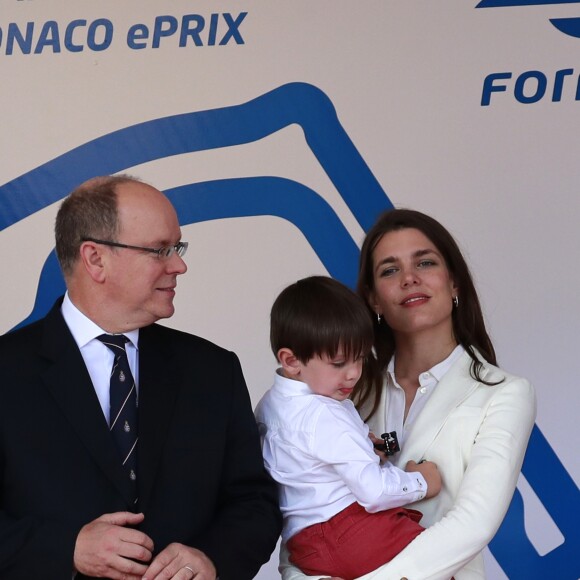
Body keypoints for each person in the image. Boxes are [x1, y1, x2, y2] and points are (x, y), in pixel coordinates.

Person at [0, 175, 282, 580]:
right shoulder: (7, 372)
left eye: (177, 248)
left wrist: (213, 559)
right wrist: (69, 548)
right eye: (159, 250)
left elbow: (254, 502)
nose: (179, 265)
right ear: (95, 259)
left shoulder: (213, 370)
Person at [280, 209, 536, 580]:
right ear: (374, 301)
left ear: (454, 284)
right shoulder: (339, 394)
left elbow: (473, 524)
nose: (410, 278)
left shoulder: (506, 394)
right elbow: (302, 512)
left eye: (425, 262)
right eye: (389, 270)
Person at [255, 276, 442, 580]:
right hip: (354, 534)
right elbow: (374, 492)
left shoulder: (268, 405)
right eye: (339, 362)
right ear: (291, 360)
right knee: (440, 561)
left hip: (305, 548)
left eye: (359, 358)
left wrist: (360, 443)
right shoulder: (326, 413)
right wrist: (421, 481)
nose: (354, 373)